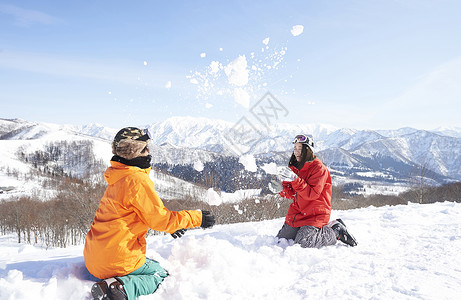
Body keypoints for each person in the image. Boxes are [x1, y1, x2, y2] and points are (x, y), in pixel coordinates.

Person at [84, 127, 216, 300]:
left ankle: (110, 282)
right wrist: (196, 218)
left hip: (93, 258)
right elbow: (160, 220)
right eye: (146, 148)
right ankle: (118, 288)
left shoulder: (118, 177)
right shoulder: (136, 180)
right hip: (117, 259)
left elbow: (138, 215)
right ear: (136, 151)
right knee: (159, 274)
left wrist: (171, 226)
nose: (149, 152)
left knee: (146, 264)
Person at [276, 134, 357, 248]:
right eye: (295, 148)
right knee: (281, 240)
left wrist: (295, 180)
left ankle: (335, 231)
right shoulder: (295, 167)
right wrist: (280, 190)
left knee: (304, 242)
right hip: (298, 213)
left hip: (315, 214)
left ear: (308, 150)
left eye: (300, 149)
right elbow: (293, 193)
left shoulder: (319, 169)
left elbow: (312, 194)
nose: (296, 152)